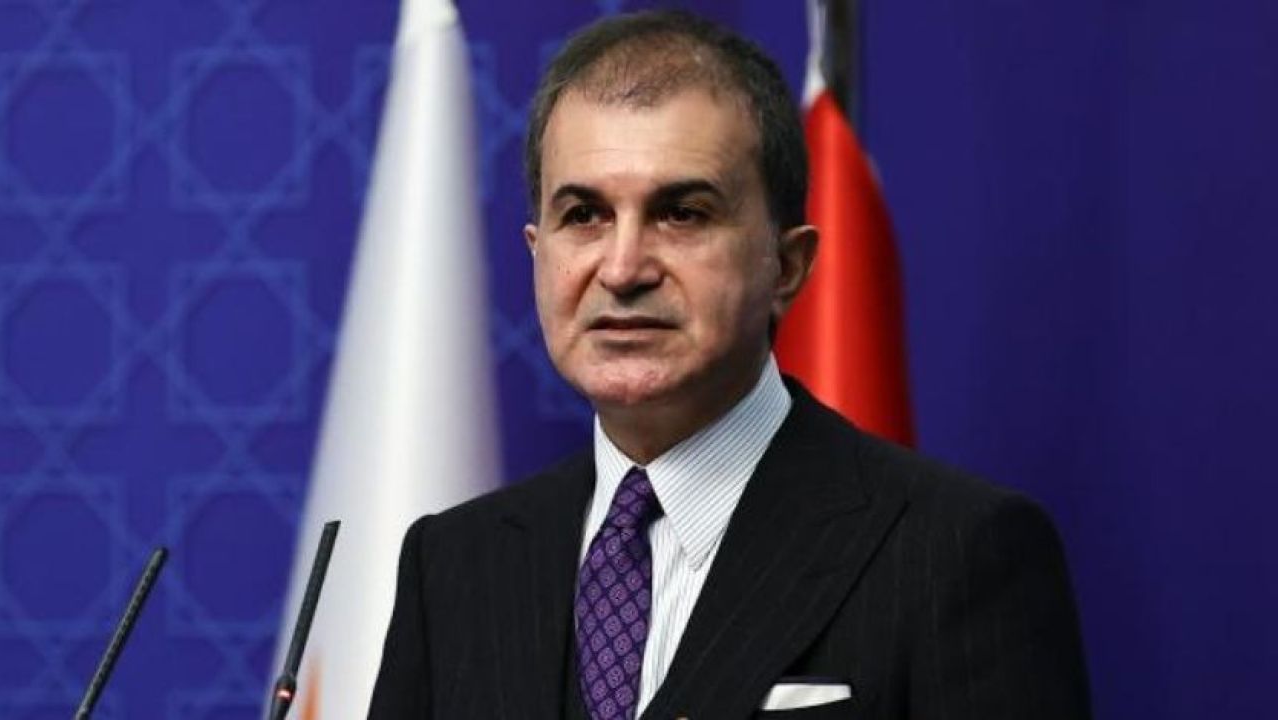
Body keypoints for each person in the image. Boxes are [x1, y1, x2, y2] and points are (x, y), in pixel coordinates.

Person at [370, 9, 1090, 719]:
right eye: (584, 216)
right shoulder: (452, 563)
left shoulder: (959, 551)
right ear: (538, 252)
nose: (622, 269)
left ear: (788, 265)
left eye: (682, 213)